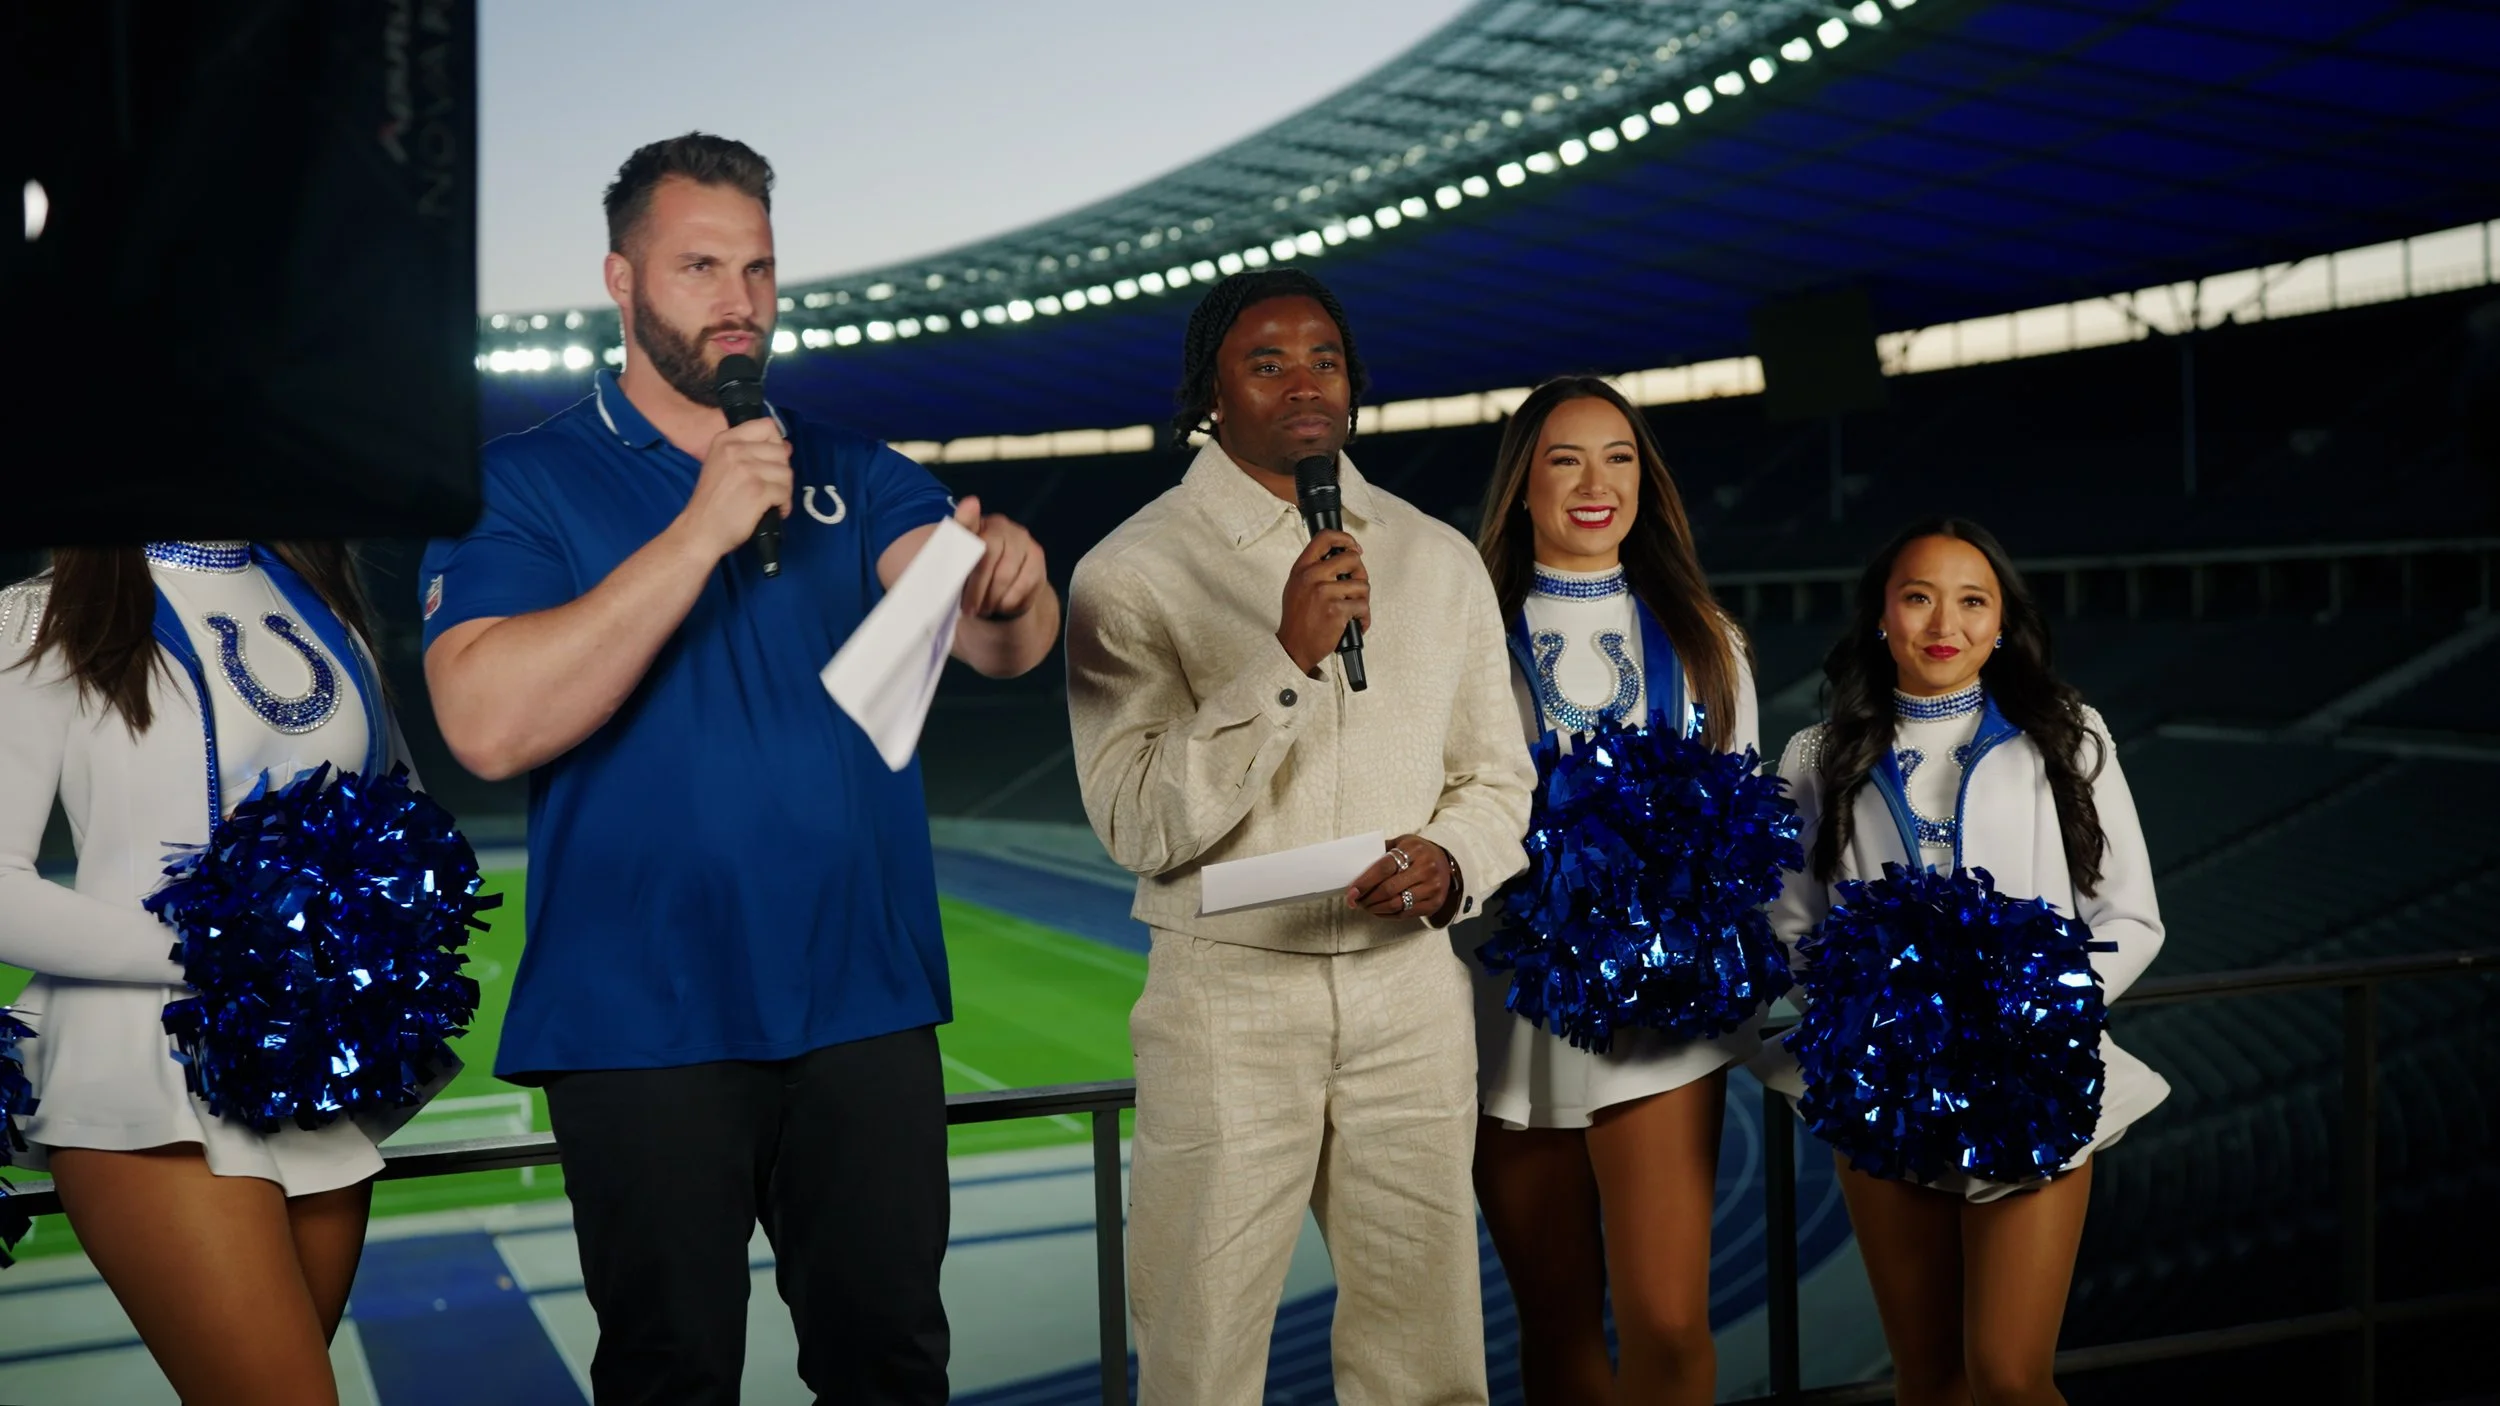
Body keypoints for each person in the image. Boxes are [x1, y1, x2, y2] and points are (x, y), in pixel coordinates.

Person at [418, 133, 1058, 1406]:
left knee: (893, 1370)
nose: (739, 300)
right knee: (671, 1378)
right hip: (639, 1018)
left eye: (757, 268)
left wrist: (1010, 587)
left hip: (863, 1003)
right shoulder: (520, 481)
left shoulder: (851, 465)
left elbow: (997, 642)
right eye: (699, 265)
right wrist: (700, 528)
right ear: (620, 279)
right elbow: (484, 724)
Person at [1063, 269, 1534, 1405]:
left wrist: (1453, 862)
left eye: (1323, 358)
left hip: (1408, 996)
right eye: (1265, 362)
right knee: (1201, 1355)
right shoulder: (1128, 572)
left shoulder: (1435, 557)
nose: (1303, 383)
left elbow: (1496, 777)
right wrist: (1282, 662)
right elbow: (1134, 821)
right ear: (1210, 394)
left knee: (1428, 1358)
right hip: (1227, 997)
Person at [0, 540, 427, 1406]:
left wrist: (375, 950)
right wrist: (221, 954)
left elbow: (405, 823)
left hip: (307, 1075)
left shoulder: (323, 608)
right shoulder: (39, 616)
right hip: (142, 1069)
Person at [1763, 519, 2168, 1406]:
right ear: (1882, 616)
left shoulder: (2066, 736)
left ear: (2000, 623)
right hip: (1887, 1094)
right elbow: (1792, 927)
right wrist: (1870, 1017)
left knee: (2009, 1377)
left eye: (1972, 601)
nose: (1944, 623)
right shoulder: (1817, 756)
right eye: (1918, 598)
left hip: (2030, 1080)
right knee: (1930, 1381)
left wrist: (2034, 1014)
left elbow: (2131, 916)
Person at [1463, 376, 1766, 1405]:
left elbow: (1742, 822)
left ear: (1646, 480)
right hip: (1509, 1010)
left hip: (1661, 1019)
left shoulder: (1707, 637)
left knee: (1669, 1325)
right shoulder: (1464, 636)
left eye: (1619, 458)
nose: (1596, 484)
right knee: (1557, 1332)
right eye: (1565, 460)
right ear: (1522, 485)